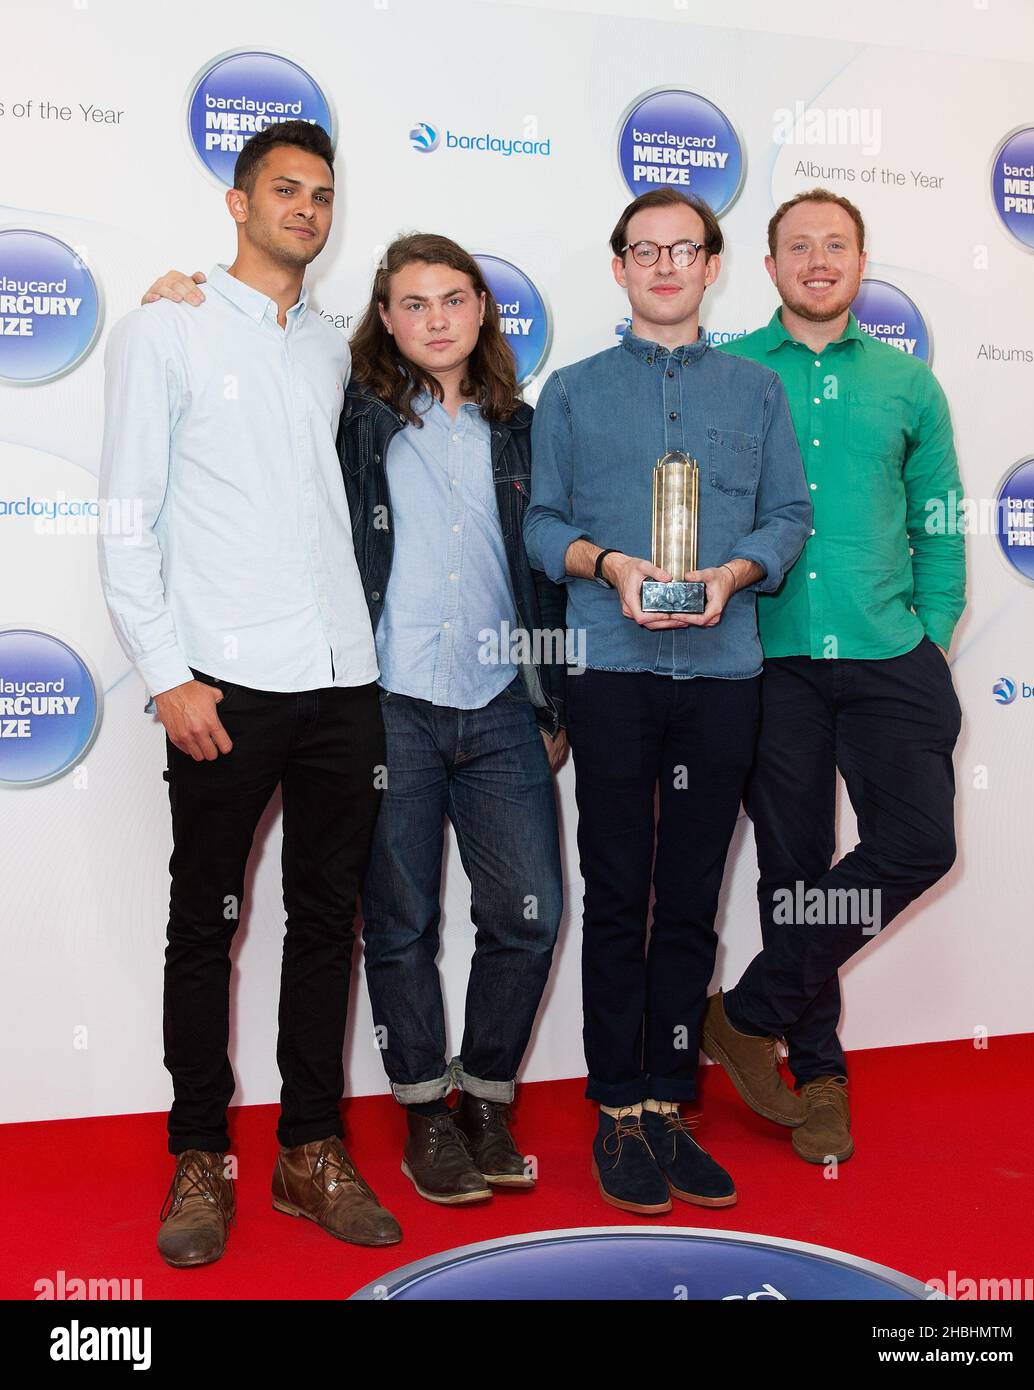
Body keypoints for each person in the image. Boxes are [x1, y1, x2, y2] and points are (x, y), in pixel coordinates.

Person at [142, 233, 568, 1209]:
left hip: (503, 701)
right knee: (400, 923)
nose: (434, 319)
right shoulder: (350, 411)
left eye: (452, 299)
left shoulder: (523, 429)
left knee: (529, 912)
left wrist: (553, 694)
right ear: (383, 316)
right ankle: (424, 1109)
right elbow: (255, 369)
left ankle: (486, 1096)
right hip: (385, 704)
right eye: (411, 303)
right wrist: (178, 297)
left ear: (481, 310)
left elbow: (543, 569)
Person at [100, 120, 399, 1268]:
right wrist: (167, 672)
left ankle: (309, 1149)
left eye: (323, 194)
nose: (307, 211)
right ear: (238, 203)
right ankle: (199, 1156)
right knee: (204, 924)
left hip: (343, 681)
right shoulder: (164, 329)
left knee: (330, 923)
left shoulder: (331, 344)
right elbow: (129, 516)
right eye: (285, 191)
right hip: (222, 684)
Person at [523, 188, 812, 1215]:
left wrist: (734, 574)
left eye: (682, 249)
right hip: (610, 671)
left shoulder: (755, 393)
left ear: (711, 265)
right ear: (617, 268)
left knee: (691, 897)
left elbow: (787, 514)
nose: (663, 265)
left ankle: (668, 1101)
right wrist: (606, 565)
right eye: (642, 250)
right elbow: (539, 525)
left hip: (725, 673)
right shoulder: (571, 391)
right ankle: (615, 1109)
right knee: (617, 894)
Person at [706, 188, 965, 1163]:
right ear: (767, 267)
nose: (818, 260)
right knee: (793, 869)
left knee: (918, 844)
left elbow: (939, 520)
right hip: (770, 661)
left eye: (837, 245)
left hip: (890, 653)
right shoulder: (728, 373)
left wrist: (932, 633)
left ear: (860, 262)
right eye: (798, 246)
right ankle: (815, 1075)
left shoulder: (908, 386)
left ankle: (747, 1011)